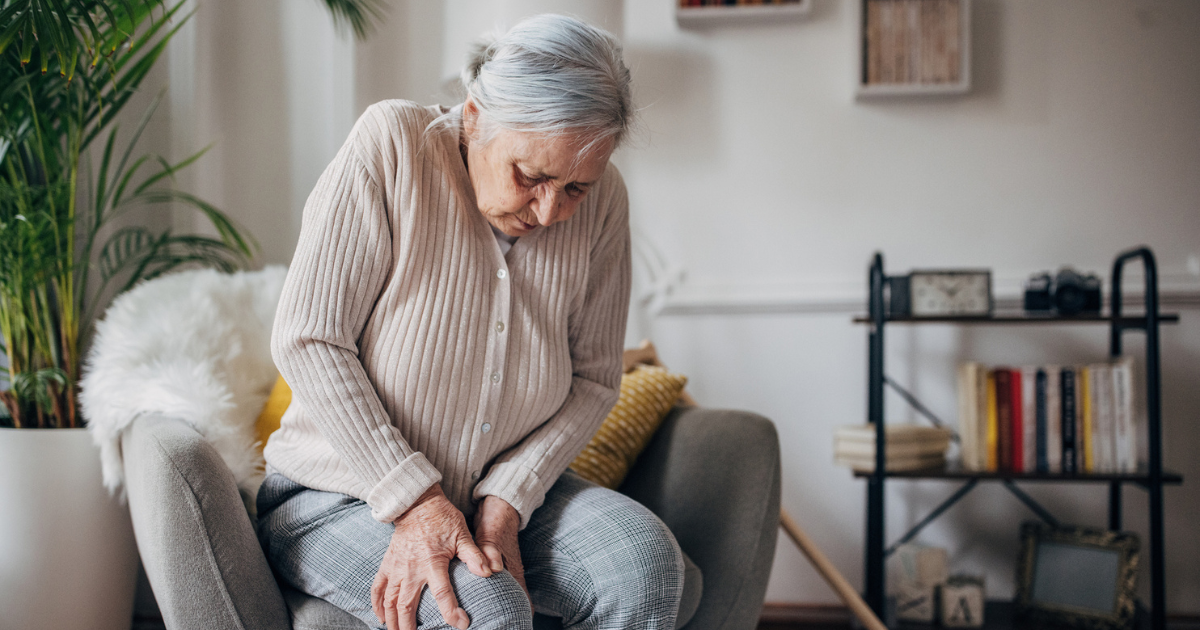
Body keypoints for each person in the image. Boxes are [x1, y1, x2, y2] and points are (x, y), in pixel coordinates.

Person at [256, 13, 687, 630]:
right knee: (484, 611)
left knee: (642, 564)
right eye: (531, 176)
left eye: (574, 189)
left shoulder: (607, 200)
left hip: (504, 497)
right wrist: (416, 500)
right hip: (338, 497)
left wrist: (512, 492)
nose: (548, 211)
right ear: (475, 116)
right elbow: (308, 337)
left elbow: (595, 379)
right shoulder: (393, 142)